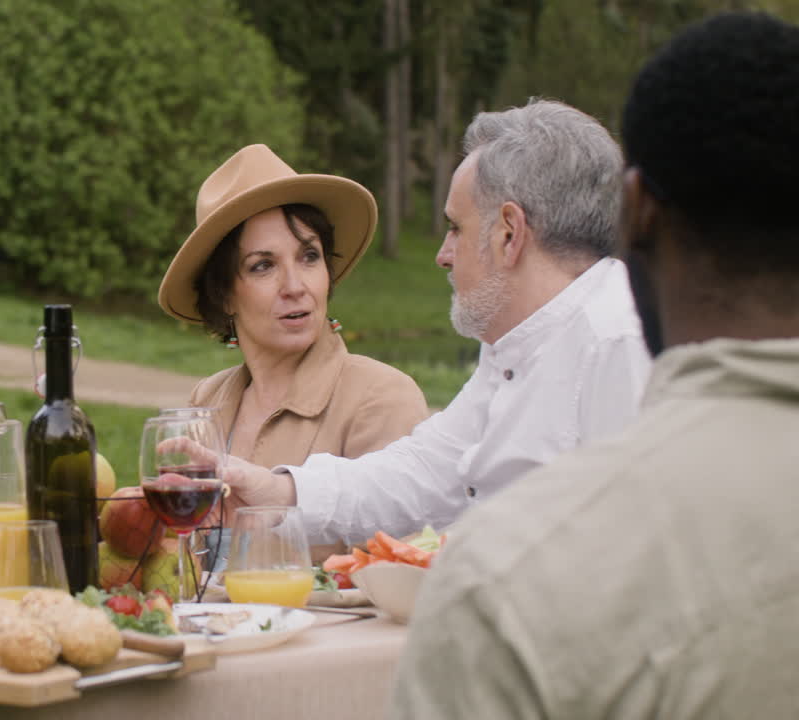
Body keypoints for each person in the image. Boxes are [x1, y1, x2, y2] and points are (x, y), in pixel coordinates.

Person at [390, 12, 799, 717]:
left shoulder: (503, 589)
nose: (443, 252)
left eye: (454, 229)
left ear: (634, 213)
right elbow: (435, 459)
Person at [220, 100, 653, 544]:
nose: (442, 255)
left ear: (509, 232)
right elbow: (424, 473)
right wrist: (279, 491)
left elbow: (640, 555)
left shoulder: (618, 342)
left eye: (455, 228)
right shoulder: (514, 346)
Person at [157, 144, 428, 473]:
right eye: (263, 266)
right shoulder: (208, 398)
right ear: (224, 294)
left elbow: (389, 526)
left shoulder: (381, 398)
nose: (295, 287)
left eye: (309, 256)